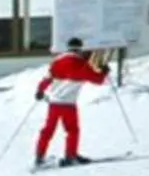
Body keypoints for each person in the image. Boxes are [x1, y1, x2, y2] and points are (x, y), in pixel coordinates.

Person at [33, 37, 106, 168]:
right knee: (72, 130)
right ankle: (70, 156)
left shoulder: (57, 61)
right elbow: (98, 80)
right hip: (69, 105)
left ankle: (39, 156)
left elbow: (47, 79)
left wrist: (40, 91)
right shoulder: (82, 65)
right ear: (80, 49)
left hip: (54, 103)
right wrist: (104, 71)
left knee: (48, 130)